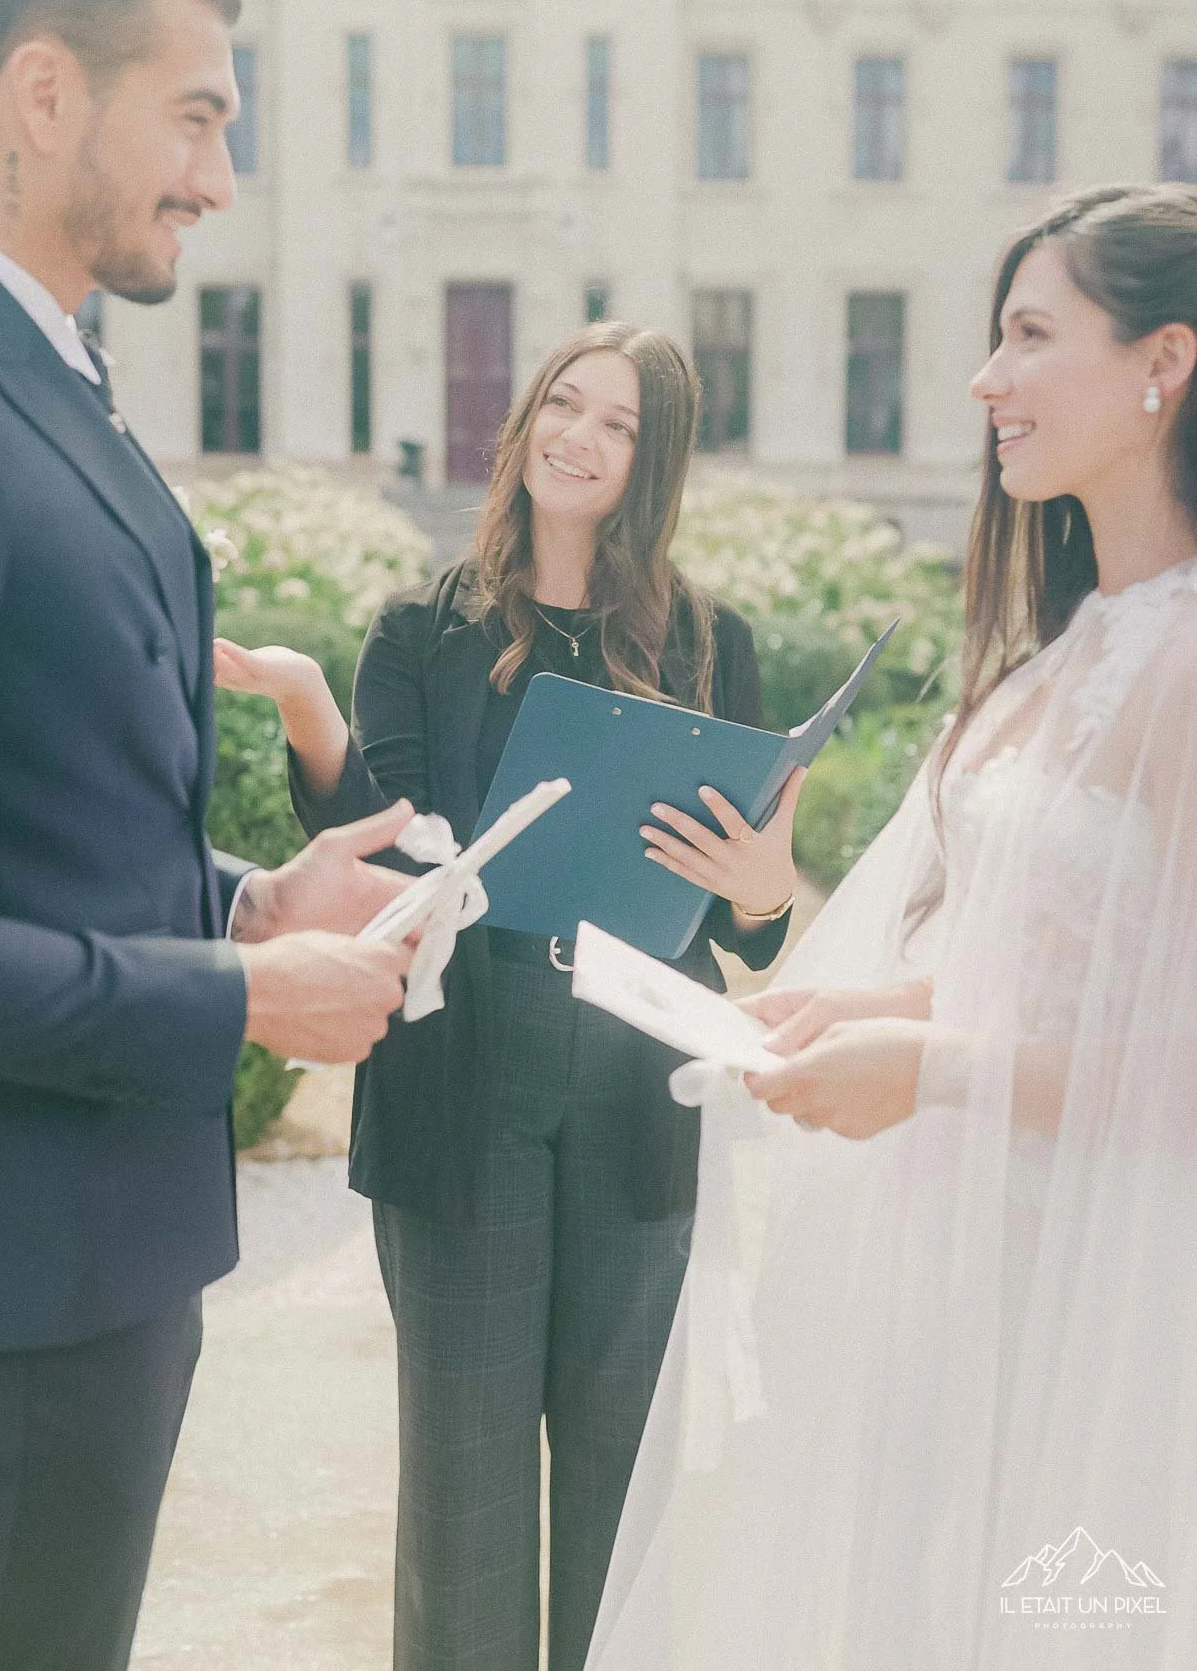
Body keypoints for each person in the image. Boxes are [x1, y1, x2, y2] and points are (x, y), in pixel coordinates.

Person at [584, 185, 1197, 1671]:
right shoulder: (1075, 645)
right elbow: (1048, 955)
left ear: (1163, 364)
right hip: (961, 1259)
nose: (985, 381)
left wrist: (935, 1072)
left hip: (1103, 1288)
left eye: (1030, 335)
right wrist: (863, 1016)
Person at [0, 0, 417, 1671]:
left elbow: (19, 812)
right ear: (41, 94)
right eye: (197, 113)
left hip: (80, 1287)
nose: (219, 174)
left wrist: (250, 901)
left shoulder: (46, 371)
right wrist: (237, 999)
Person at [216, 323, 804, 1671]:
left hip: (638, 1085)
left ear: (651, 465)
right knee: (468, 1500)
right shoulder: (422, 628)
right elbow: (384, 853)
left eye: (615, 425)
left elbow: (749, 936)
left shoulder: (715, 642)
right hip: (462, 1073)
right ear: (525, 415)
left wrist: (766, 886)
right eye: (562, 403)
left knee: (622, 1482)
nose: (576, 438)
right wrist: (311, 715)